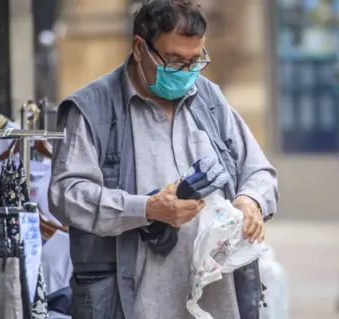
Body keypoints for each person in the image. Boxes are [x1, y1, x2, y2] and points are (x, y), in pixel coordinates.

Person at [48, 0, 279, 318]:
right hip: (133, 305)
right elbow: (67, 196)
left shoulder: (209, 98)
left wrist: (250, 201)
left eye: (194, 61)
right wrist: (146, 209)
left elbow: (259, 171)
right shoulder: (91, 110)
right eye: (173, 62)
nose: (186, 72)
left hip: (217, 306)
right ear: (140, 47)